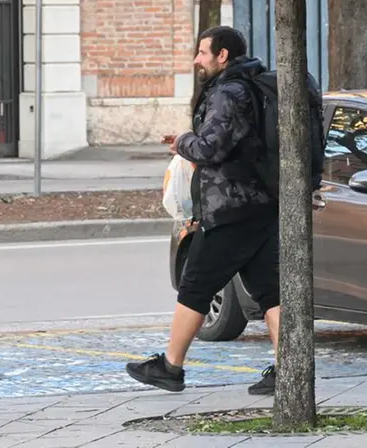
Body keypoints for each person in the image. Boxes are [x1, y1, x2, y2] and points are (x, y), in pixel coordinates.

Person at [125, 26, 280, 396]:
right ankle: (288, 368)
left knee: (194, 285)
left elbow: (212, 147)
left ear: (221, 55)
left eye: (202, 52)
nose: (197, 59)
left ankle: (170, 367)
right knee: (269, 290)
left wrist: (181, 142)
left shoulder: (229, 92)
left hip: (230, 207)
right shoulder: (255, 85)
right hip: (260, 204)